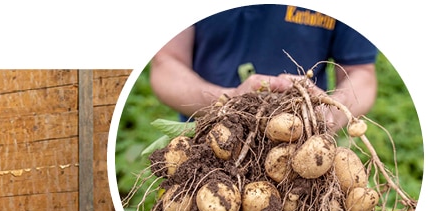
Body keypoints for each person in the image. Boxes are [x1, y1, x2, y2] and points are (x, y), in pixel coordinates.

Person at [149, 5, 379, 130]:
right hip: (205, 144)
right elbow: (166, 62)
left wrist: (329, 113)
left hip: (303, 142)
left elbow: (361, 72)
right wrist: (226, 102)